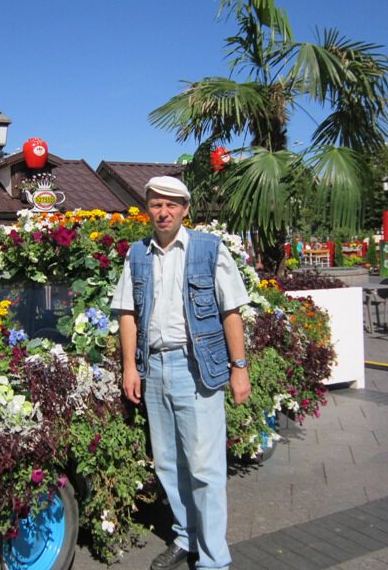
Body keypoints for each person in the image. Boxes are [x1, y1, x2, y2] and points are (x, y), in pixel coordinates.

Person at [111, 176, 251, 570]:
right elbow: (127, 313)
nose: (164, 211)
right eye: (156, 204)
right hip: (153, 367)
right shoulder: (138, 254)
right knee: (168, 463)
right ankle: (186, 536)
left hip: (196, 368)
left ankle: (213, 559)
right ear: (148, 208)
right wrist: (130, 366)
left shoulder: (208, 249)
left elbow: (231, 311)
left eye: (172, 204)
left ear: (185, 209)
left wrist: (239, 368)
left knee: (205, 468)